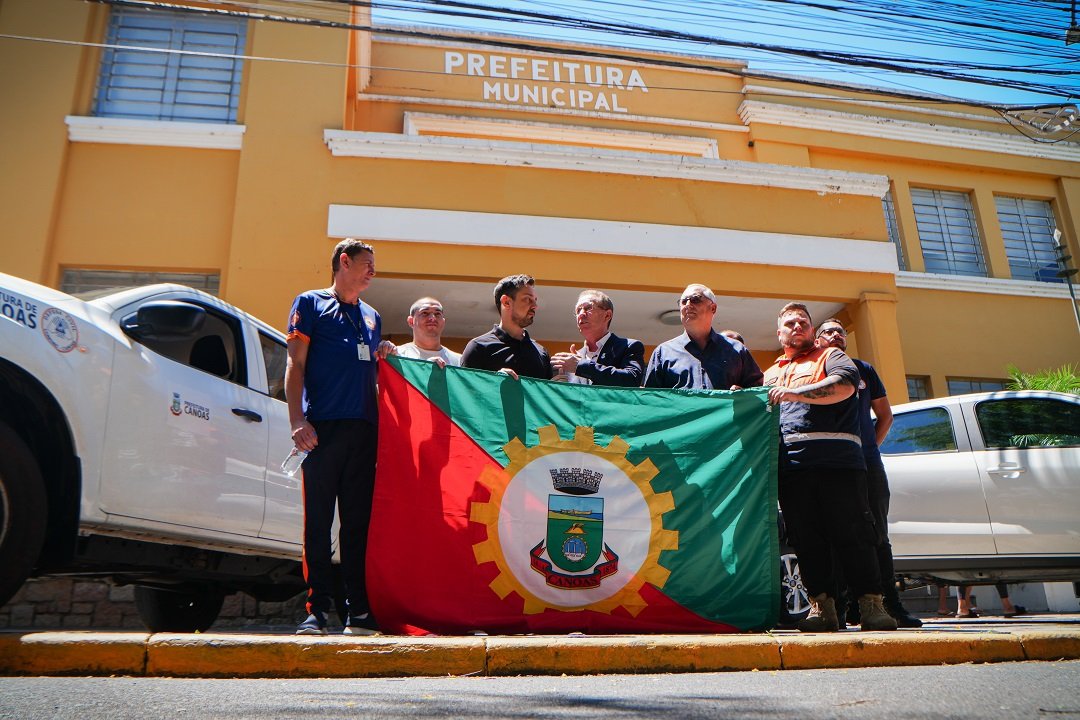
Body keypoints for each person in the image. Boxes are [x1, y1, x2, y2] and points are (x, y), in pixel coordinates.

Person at [763, 302, 896, 632]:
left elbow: (844, 386)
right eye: (790, 323)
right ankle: (823, 608)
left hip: (839, 465)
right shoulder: (770, 373)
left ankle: (871, 606)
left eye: (803, 323)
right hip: (792, 468)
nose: (797, 327)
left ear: (811, 330)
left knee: (854, 534)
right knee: (806, 540)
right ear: (779, 333)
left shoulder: (831, 357)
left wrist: (794, 393)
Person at [285, 238, 394, 636]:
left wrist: (383, 350)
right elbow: (294, 365)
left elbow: (370, 366)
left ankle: (359, 612)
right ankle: (316, 611)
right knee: (318, 523)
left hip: (364, 431)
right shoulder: (309, 303)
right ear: (343, 262)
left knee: (357, 525)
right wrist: (297, 420)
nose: (372, 271)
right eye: (367, 264)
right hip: (321, 430)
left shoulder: (372, 316)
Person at [816, 318, 922, 628]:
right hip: (833, 464)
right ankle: (847, 607)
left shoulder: (864, 369)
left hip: (866, 463)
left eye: (840, 331)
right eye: (828, 331)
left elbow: (885, 416)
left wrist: (868, 448)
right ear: (818, 339)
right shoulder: (811, 371)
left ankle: (890, 606)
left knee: (877, 534)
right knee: (837, 535)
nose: (836, 334)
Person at [643, 284, 763, 390]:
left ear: (713, 308)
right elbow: (651, 401)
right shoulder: (663, 353)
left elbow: (758, 393)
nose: (688, 305)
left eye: (695, 299)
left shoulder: (736, 350)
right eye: (683, 301)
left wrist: (743, 394)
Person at [461, 274, 552, 380]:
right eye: (527, 299)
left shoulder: (542, 353)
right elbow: (465, 391)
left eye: (535, 300)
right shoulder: (478, 348)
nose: (535, 306)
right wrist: (495, 381)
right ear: (506, 302)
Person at [549, 290, 645, 386]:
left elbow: (632, 380)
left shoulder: (628, 347)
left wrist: (581, 366)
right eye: (578, 310)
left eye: (588, 308)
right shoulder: (572, 360)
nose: (581, 314)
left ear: (607, 315)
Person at [396, 297, 461, 368]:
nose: (432, 318)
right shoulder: (398, 355)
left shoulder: (459, 362)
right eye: (425, 313)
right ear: (411, 321)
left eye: (437, 314)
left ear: (443, 322)